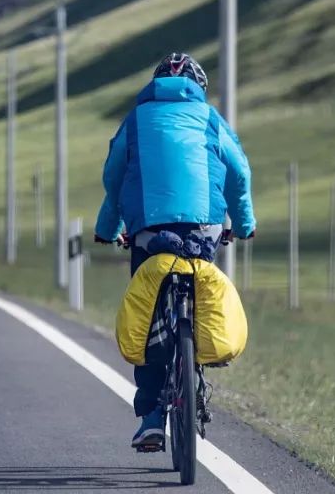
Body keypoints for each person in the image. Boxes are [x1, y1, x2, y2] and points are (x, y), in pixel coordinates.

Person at [94, 52, 256, 450]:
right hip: (204, 229)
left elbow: (113, 179)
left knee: (150, 315)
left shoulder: (135, 121)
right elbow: (239, 173)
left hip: (149, 232)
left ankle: (151, 414)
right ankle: (193, 362)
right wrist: (245, 225)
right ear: (198, 88)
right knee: (198, 290)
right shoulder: (211, 119)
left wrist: (108, 229)